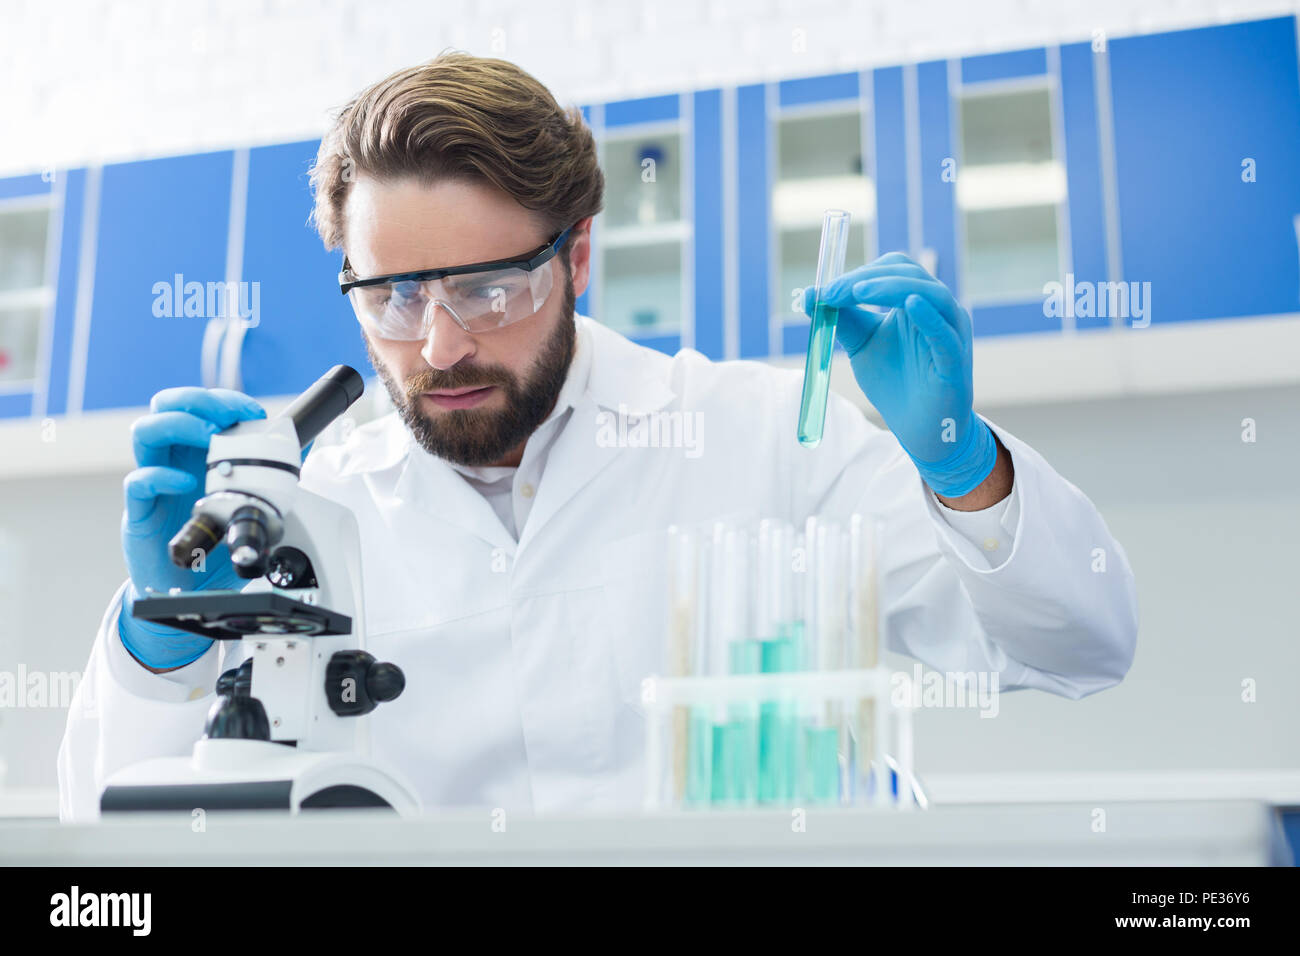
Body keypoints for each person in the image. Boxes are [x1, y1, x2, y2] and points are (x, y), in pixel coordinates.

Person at [57, 51, 1137, 820]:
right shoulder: (308, 505)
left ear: (574, 260)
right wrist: (164, 645)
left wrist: (961, 468)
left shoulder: (760, 434)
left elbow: (1082, 643)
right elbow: (113, 830)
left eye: (487, 288)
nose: (437, 346)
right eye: (390, 297)